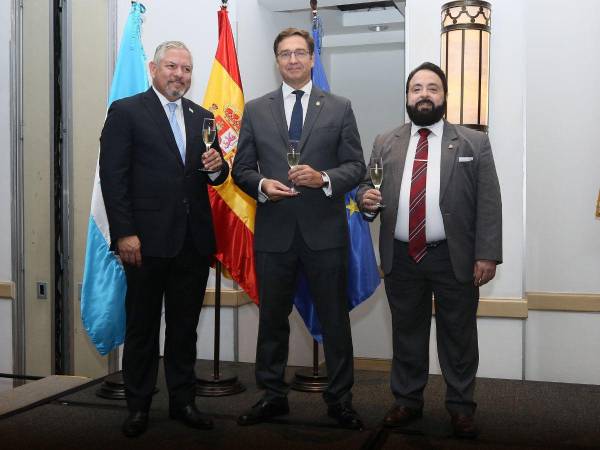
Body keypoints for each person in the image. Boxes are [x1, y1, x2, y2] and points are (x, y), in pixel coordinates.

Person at [357, 62, 502, 438]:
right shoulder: (385, 141)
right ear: (407, 97)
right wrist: (366, 200)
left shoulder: (473, 142)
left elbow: (489, 202)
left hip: (453, 255)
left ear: (444, 96)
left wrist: (487, 254)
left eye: (432, 88)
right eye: (416, 88)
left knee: (458, 334)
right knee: (407, 332)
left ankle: (460, 407)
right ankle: (407, 401)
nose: (424, 94)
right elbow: (364, 188)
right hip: (402, 256)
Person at [232, 28, 365, 429]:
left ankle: (340, 400)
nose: (292, 60)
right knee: (272, 321)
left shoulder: (339, 107)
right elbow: (241, 168)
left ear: (311, 58)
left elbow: (356, 166)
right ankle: (272, 396)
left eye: (299, 53)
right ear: (277, 61)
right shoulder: (256, 109)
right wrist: (260, 186)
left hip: (325, 235)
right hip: (274, 234)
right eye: (285, 54)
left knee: (335, 321)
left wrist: (323, 178)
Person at [99, 41, 228, 438]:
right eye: (172, 66)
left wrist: (216, 167)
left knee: (184, 329)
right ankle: (138, 406)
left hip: (192, 244)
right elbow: (113, 178)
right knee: (141, 329)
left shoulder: (203, 117)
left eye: (186, 69)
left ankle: (183, 402)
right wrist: (124, 233)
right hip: (144, 243)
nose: (180, 75)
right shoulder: (126, 111)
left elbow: (218, 176)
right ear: (154, 68)